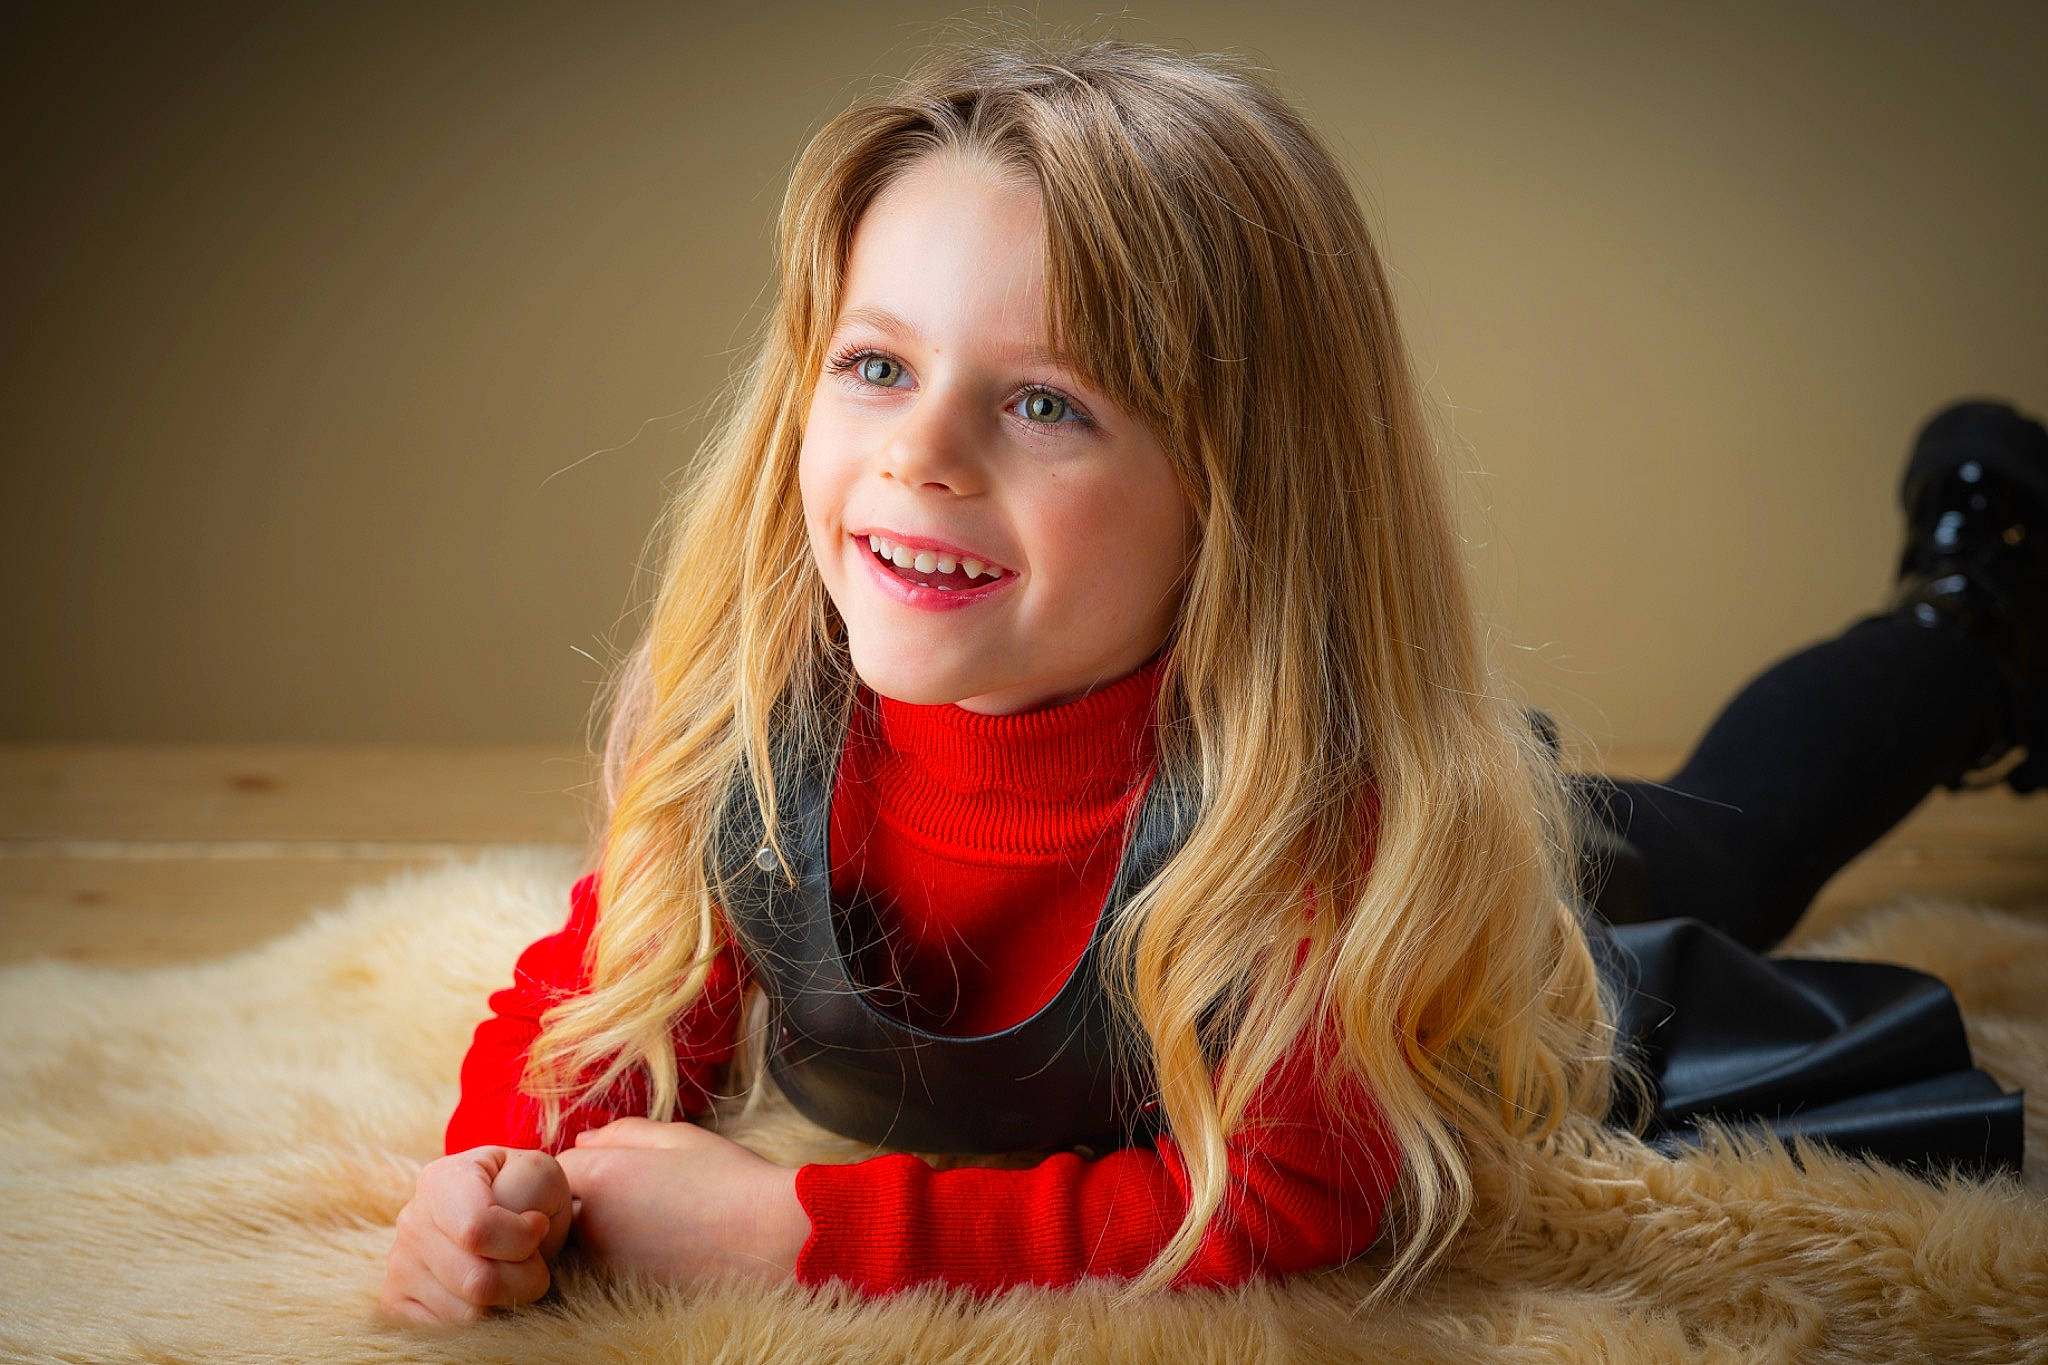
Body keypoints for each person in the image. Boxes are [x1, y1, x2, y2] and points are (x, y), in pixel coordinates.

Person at [377, 37, 2039, 1328]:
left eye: (1045, 403)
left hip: (1457, 899)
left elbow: (1281, 1198)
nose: (920, 456)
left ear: (1240, 494)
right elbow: (612, 986)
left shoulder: (1328, 830)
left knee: (1731, 845)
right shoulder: (749, 714)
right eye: (876, 364)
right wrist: (496, 1178)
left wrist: (805, 1232)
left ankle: (1975, 613)